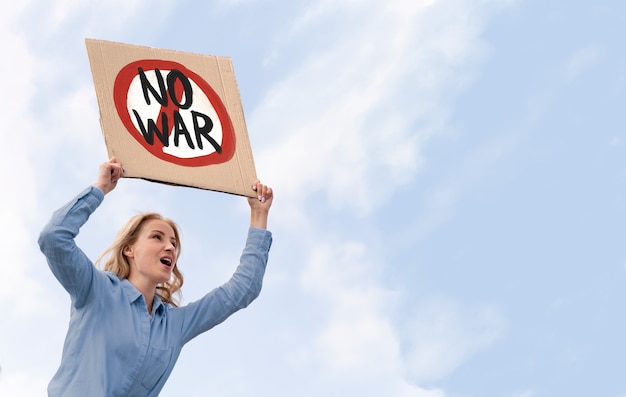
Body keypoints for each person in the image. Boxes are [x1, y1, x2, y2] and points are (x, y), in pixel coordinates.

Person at [38, 157, 274, 396]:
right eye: (157, 237)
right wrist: (101, 188)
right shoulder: (95, 290)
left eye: (173, 243)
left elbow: (245, 288)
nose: (170, 247)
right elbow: (54, 237)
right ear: (129, 249)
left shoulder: (174, 325)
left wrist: (258, 215)